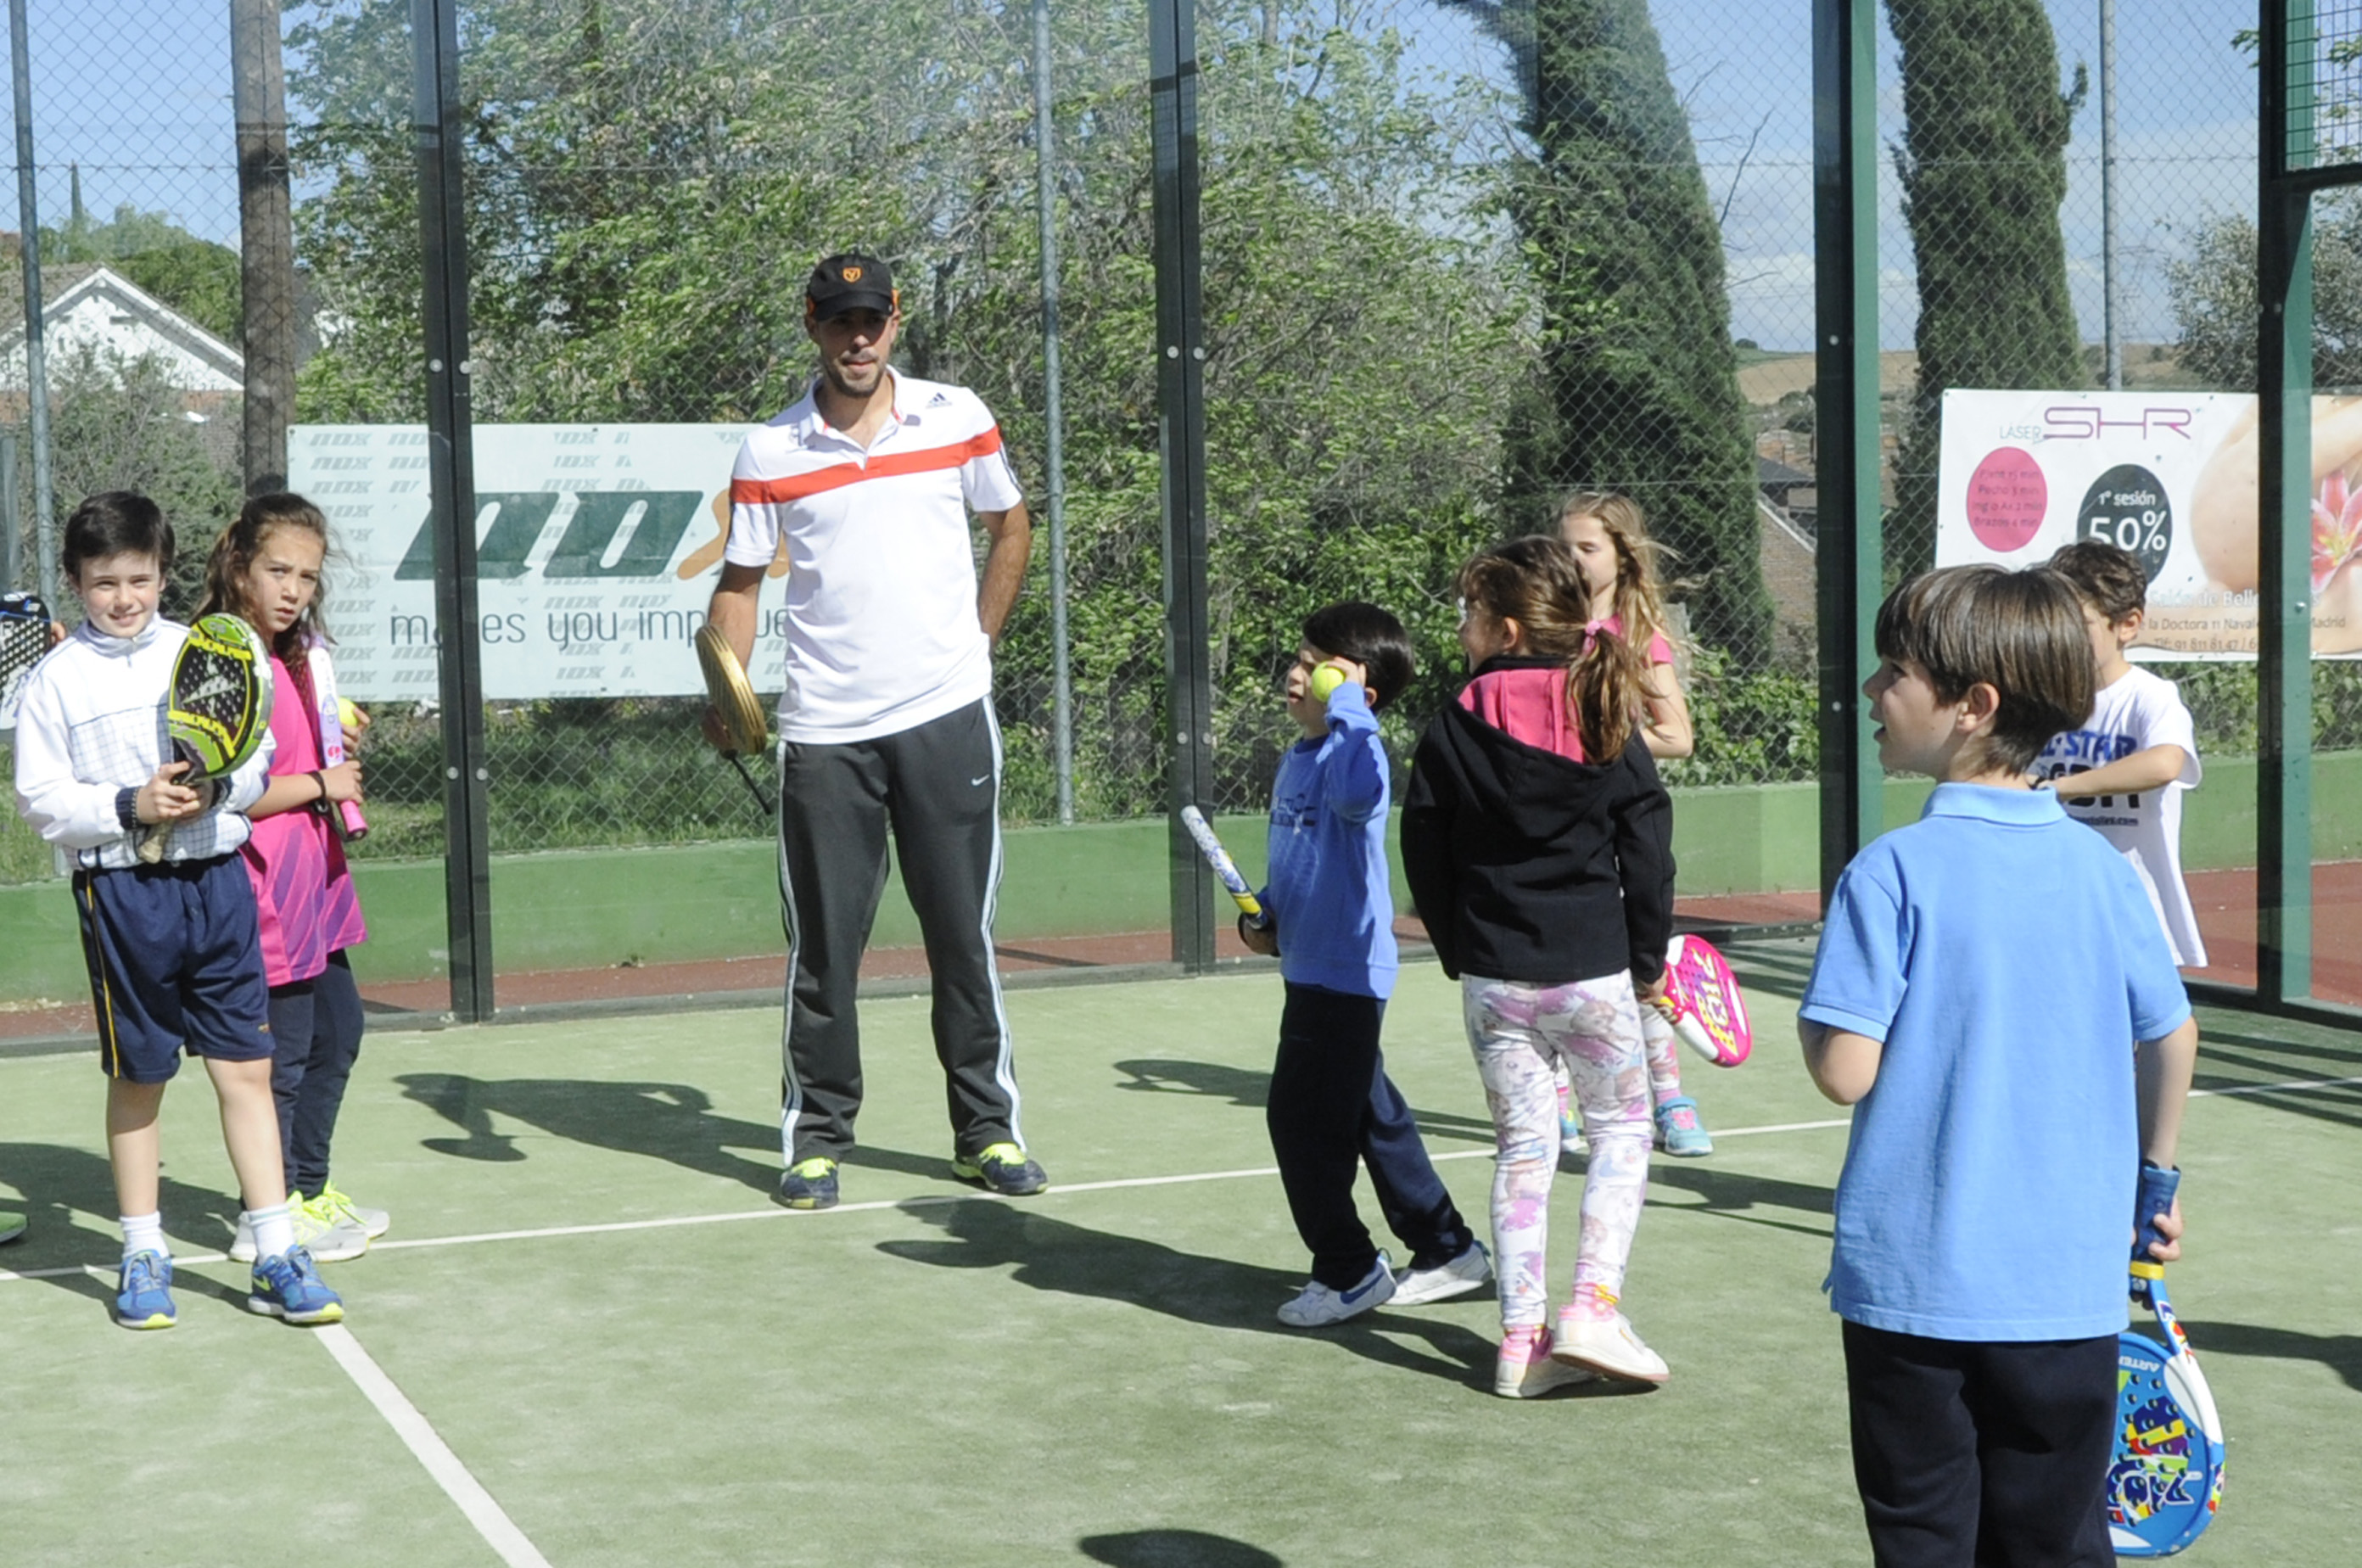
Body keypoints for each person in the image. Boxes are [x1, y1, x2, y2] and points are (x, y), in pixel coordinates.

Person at [1798, 564, 2197, 1562]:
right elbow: (2172, 1033)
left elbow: (1846, 1071)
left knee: (1925, 1534)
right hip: (2069, 1292)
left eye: (1895, 671)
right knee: (2057, 1539)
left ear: (1974, 707)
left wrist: (1813, 1023)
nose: (1871, 692)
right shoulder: (2105, 876)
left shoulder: (1889, 869)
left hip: (1914, 1294)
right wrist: (2158, 1179)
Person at [703, 253, 1044, 1210]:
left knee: (962, 939)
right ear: (811, 325)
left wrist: (976, 642)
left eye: (873, 320)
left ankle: (986, 1133)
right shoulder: (769, 453)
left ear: (896, 322)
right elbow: (738, 584)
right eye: (838, 321)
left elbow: (1012, 525)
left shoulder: (959, 416)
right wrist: (728, 698)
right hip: (825, 739)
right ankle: (816, 1138)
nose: (858, 338)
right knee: (823, 949)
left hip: (947, 720)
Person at [10, 491, 343, 1329]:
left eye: (141, 580)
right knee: (141, 1077)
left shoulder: (208, 654)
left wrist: (216, 791)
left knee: (247, 1070)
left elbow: (260, 758)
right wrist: (131, 805)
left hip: (219, 884)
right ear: (74, 581)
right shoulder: (55, 682)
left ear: (165, 574)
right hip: (123, 897)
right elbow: (43, 799)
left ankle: (274, 1250)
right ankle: (144, 1251)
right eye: (104, 582)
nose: (125, 599)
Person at [1402, 535, 1677, 1397]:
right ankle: (1592, 1307)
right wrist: (1645, 962)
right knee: (1623, 1133)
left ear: (1508, 629)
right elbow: (1650, 846)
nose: (1462, 629)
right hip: (1594, 973)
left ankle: (1522, 1345)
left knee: (1523, 1152)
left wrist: (1459, 949)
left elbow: (1423, 847)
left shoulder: (1453, 722)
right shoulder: (1603, 708)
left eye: (1470, 615)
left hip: (1494, 978)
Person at [1238, 602, 1491, 1328]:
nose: (1294, 673)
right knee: (1371, 1115)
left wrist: (1348, 701)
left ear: (1358, 692)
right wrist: (1267, 915)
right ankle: (1447, 1248)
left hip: (1345, 972)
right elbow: (1296, 861)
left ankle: (1349, 1270)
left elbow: (1358, 797)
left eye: (1314, 665)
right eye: (1299, 657)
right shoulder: (1300, 757)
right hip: (1309, 964)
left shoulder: (1360, 751)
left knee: (1298, 1121)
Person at [196, 493, 387, 1264]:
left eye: (306, 577)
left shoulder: (296, 653)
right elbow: (224, 790)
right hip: (263, 888)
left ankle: (306, 1189)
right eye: (278, 570)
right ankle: (263, 1215)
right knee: (285, 1054)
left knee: (341, 1031)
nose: (292, 590)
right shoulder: (223, 659)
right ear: (239, 563)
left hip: (319, 879)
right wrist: (321, 783)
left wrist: (329, 731)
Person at [1558, 490, 1710, 1157]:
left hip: (1620, 832)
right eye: (1564, 546)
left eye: (1587, 548)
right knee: (1554, 971)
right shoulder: (1540, 631)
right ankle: (1558, 1104)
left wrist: (1601, 739)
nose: (1572, 559)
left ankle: (1670, 1099)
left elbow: (1677, 736)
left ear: (1622, 557)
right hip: (1556, 831)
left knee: (1637, 969)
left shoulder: (1640, 637)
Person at [2033, 539, 2208, 968]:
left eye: (2081, 625)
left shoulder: (2150, 697)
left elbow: (2166, 762)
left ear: (2127, 625)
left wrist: (2061, 788)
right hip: (2053, 896)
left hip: (2133, 902)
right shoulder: (2035, 701)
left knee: (2143, 1026)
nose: (2064, 639)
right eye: (2056, 624)